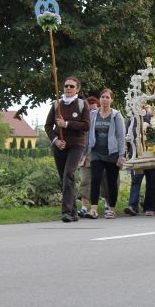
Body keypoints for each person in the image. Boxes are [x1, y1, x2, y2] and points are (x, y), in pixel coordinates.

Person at [44, 76, 91, 222]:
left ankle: (66, 212)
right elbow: (47, 126)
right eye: (66, 86)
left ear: (77, 89)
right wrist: (56, 140)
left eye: (71, 86)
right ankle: (74, 212)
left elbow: (86, 125)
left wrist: (67, 124)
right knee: (63, 179)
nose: (68, 89)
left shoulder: (83, 105)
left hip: (76, 145)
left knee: (68, 175)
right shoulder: (56, 104)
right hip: (60, 146)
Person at [83, 89, 125, 219]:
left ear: (111, 100)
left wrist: (121, 155)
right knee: (95, 179)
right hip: (96, 152)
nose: (105, 99)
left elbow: (121, 136)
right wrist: (85, 151)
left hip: (112, 153)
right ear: (100, 99)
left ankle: (111, 209)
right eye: (102, 97)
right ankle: (93, 209)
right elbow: (88, 133)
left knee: (111, 182)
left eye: (107, 97)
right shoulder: (93, 114)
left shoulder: (116, 115)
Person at [77, 92, 109, 218]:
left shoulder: (103, 119)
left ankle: (107, 205)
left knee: (104, 180)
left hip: (103, 153)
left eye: (94, 109)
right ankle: (84, 207)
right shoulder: (84, 123)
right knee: (85, 180)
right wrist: (81, 153)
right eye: (89, 110)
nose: (91, 112)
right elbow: (81, 138)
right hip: (87, 154)